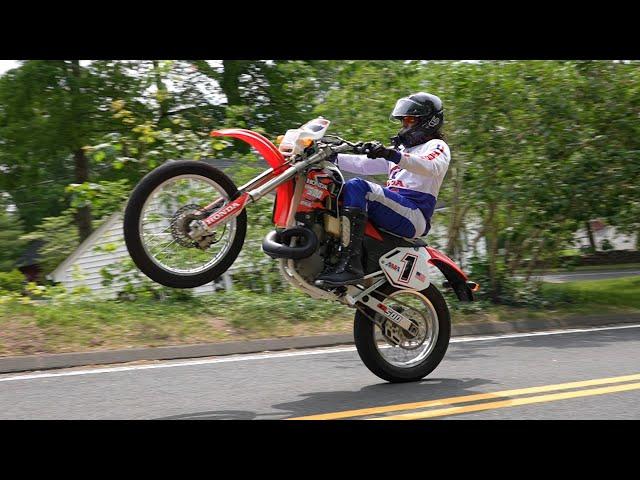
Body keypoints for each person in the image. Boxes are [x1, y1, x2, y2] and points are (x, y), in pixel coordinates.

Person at [316, 92, 451, 286]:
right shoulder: (403, 152)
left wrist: (391, 154)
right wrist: (330, 156)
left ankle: (350, 266)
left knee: (357, 187)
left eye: (409, 120)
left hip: (414, 214)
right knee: (335, 191)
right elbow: (362, 164)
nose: (404, 126)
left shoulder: (436, 146)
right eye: (403, 121)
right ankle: (332, 255)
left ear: (428, 122)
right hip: (397, 209)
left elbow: (430, 166)